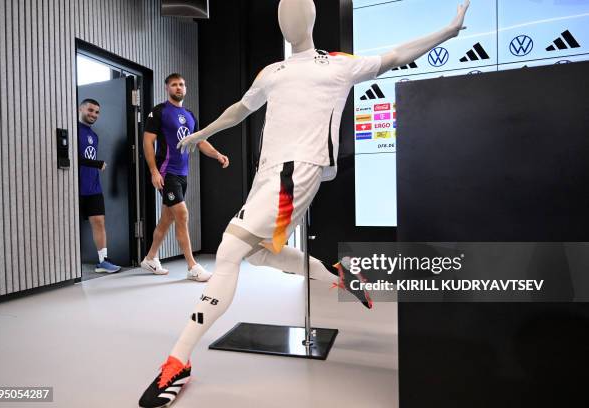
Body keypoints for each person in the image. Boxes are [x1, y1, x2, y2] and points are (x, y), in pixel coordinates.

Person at [139, 1, 470, 406]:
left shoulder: (336, 64)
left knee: (229, 250)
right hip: (268, 173)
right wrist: (199, 134)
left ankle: (178, 360)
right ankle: (342, 278)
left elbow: (397, 54)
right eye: (282, 10)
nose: (287, 16)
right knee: (259, 254)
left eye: (296, 8)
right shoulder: (272, 72)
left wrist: (447, 32)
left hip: (297, 173)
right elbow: (240, 110)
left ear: (311, 17)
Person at [141, 73, 230, 280]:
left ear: (185, 88)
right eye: (174, 85)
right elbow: (147, 142)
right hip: (167, 172)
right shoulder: (159, 111)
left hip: (183, 174)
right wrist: (154, 171)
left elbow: (200, 141)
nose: (178, 88)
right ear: (167, 88)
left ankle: (150, 258)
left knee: (166, 220)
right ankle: (192, 267)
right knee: (182, 214)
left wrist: (217, 154)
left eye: (181, 84)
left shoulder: (190, 115)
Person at [78, 99, 122, 274]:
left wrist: (95, 166)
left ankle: (103, 261)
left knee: (99, 221)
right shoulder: (74, 131)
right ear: (80, 108)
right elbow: (72, 157)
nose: (93, 114)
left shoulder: (93, 135)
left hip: (93, 187)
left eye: (97, 112)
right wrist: (97, 164)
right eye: (90, 110)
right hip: (76, 187)